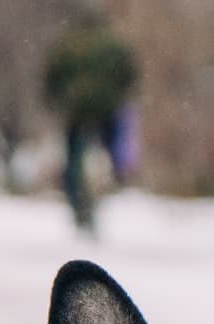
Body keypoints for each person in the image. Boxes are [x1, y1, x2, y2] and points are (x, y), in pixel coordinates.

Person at [43, 17, 137, 235]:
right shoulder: (113, 46)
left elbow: (52, 77)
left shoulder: (68, 46)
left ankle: (76, 198)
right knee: (112, 147)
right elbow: (128, 75)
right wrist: (117, 96)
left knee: (74, 157)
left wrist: (58, 101)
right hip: (106, 109)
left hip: (75, 111)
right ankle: (115, 176)